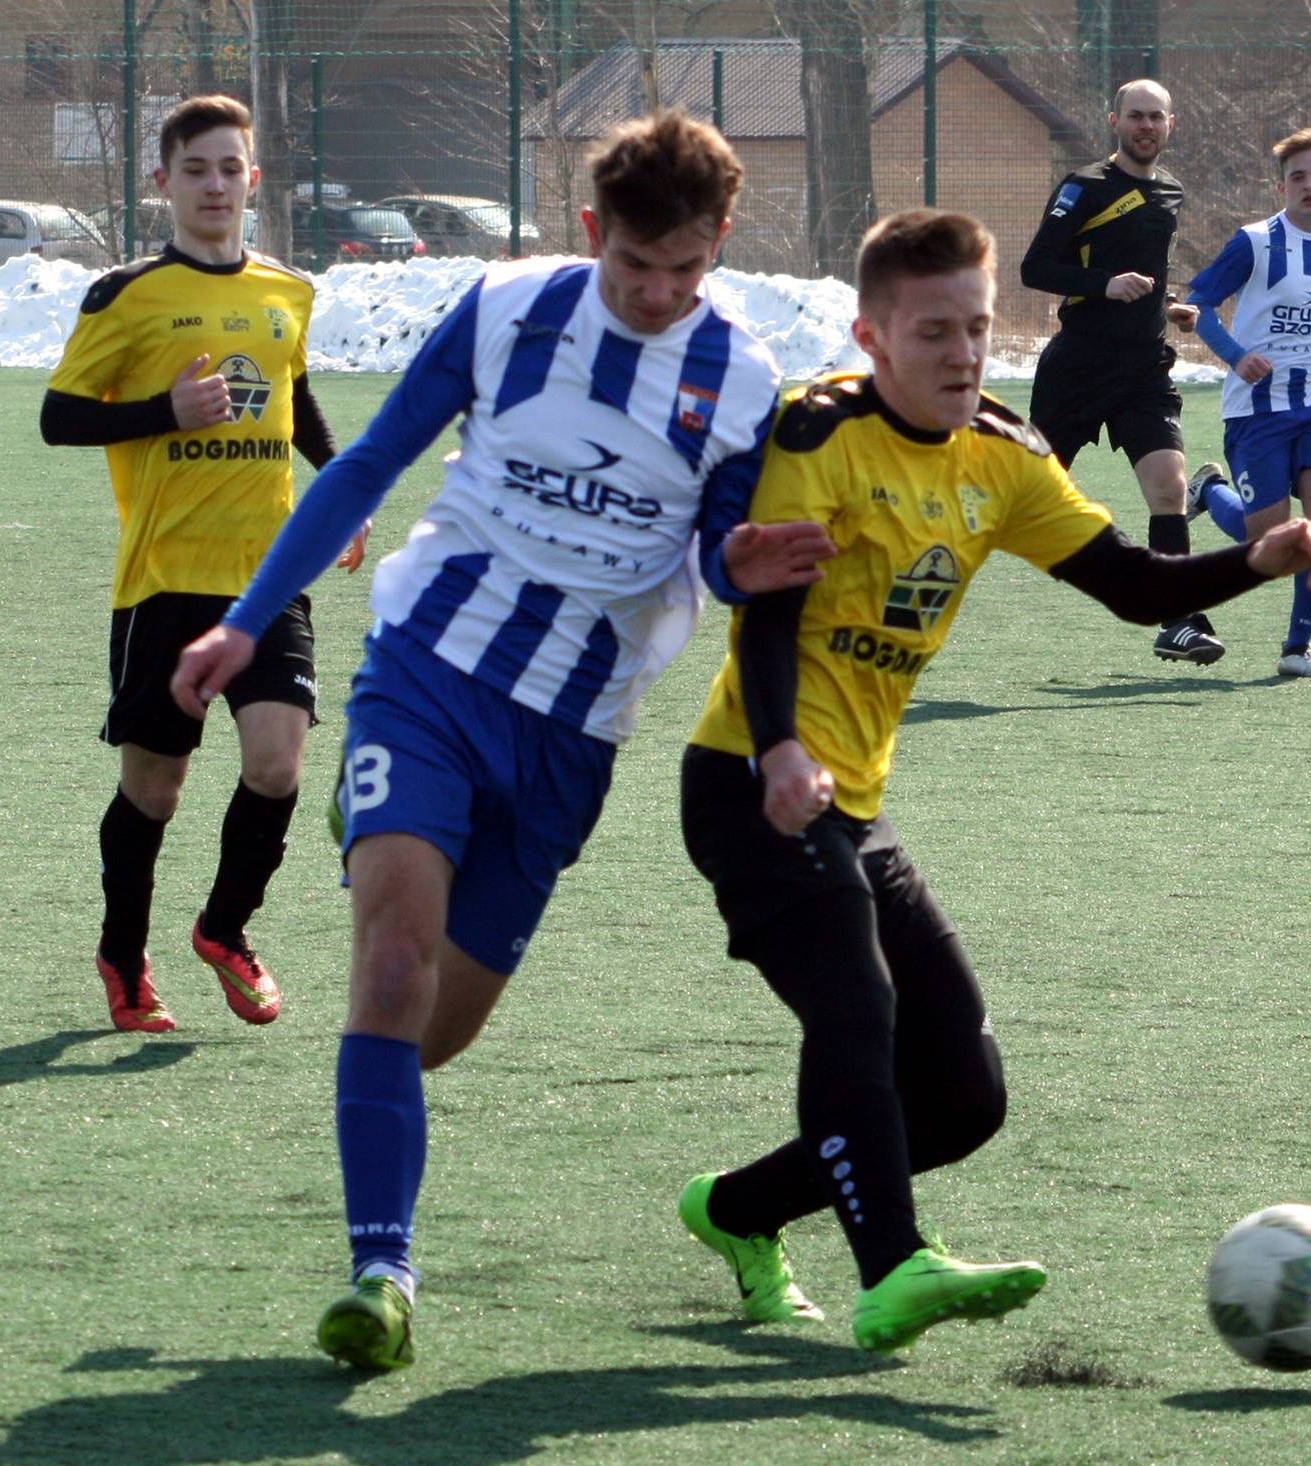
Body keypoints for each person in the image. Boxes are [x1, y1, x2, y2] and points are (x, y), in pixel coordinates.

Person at [168, 110, 837, 1371]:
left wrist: (740, 563)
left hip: (573, 732)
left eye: (684, 268)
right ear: (589, 230)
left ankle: (383, 854)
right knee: (388, 972)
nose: (656, 293)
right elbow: (366, 465)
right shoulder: (505, 309)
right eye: (632, 264)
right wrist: (246, 622)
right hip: (429, 669)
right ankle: (381, 1276)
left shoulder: (745, 381)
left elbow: (718, 559)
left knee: (431, 1031)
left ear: (719, 241)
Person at [675, 209, 1311, 1353]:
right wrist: (779, 747)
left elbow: (1129, 584)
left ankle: (735, 1210)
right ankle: (892, 1268)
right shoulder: (818, 433)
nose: (962, 354)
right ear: (870, 336)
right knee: (854, 1005)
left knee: (961, 1097)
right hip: (751, 779)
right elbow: (770, 613)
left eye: (977, 329)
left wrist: (1253, 558)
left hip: (853, 803)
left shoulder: (1000, 453)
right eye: (932, 332)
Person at [41, 94, 348, 1034]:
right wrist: (162, 414)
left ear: (253, 178)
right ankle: (122, 954)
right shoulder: (126, 295)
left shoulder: (287, 291)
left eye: (229, 168)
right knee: (155, 790)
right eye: (195, 169)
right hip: (165, 581)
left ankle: (224, 928)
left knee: (278, 765)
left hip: (267, 579)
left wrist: (341, 488)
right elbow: (59, 417)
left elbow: (294, 394)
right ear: (163, 182)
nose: (215, 185)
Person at [1020, 78, 1221, 666]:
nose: (1146, 126)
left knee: (1169, 488)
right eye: (1136, 116)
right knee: (1024, 502)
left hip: (1143, 369)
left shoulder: (1171, 191)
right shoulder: (1084, 187)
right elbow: (1036, 268)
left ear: (1171, 124)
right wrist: (1103, 286)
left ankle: (1176, 620)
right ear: (1115, 122)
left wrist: (1169, 306)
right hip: (1079, 367)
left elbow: (1147, 271)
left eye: (1156, 116)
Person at [1183, 128, 1311, 678]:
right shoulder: (1254, 242)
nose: (1309, 185)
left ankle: (1297, 648)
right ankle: (1210, 491)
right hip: (1258, 407)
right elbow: (1198, 304)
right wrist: (1236, 355)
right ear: (1282, 187)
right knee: (1267, 544)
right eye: (1298, 177)